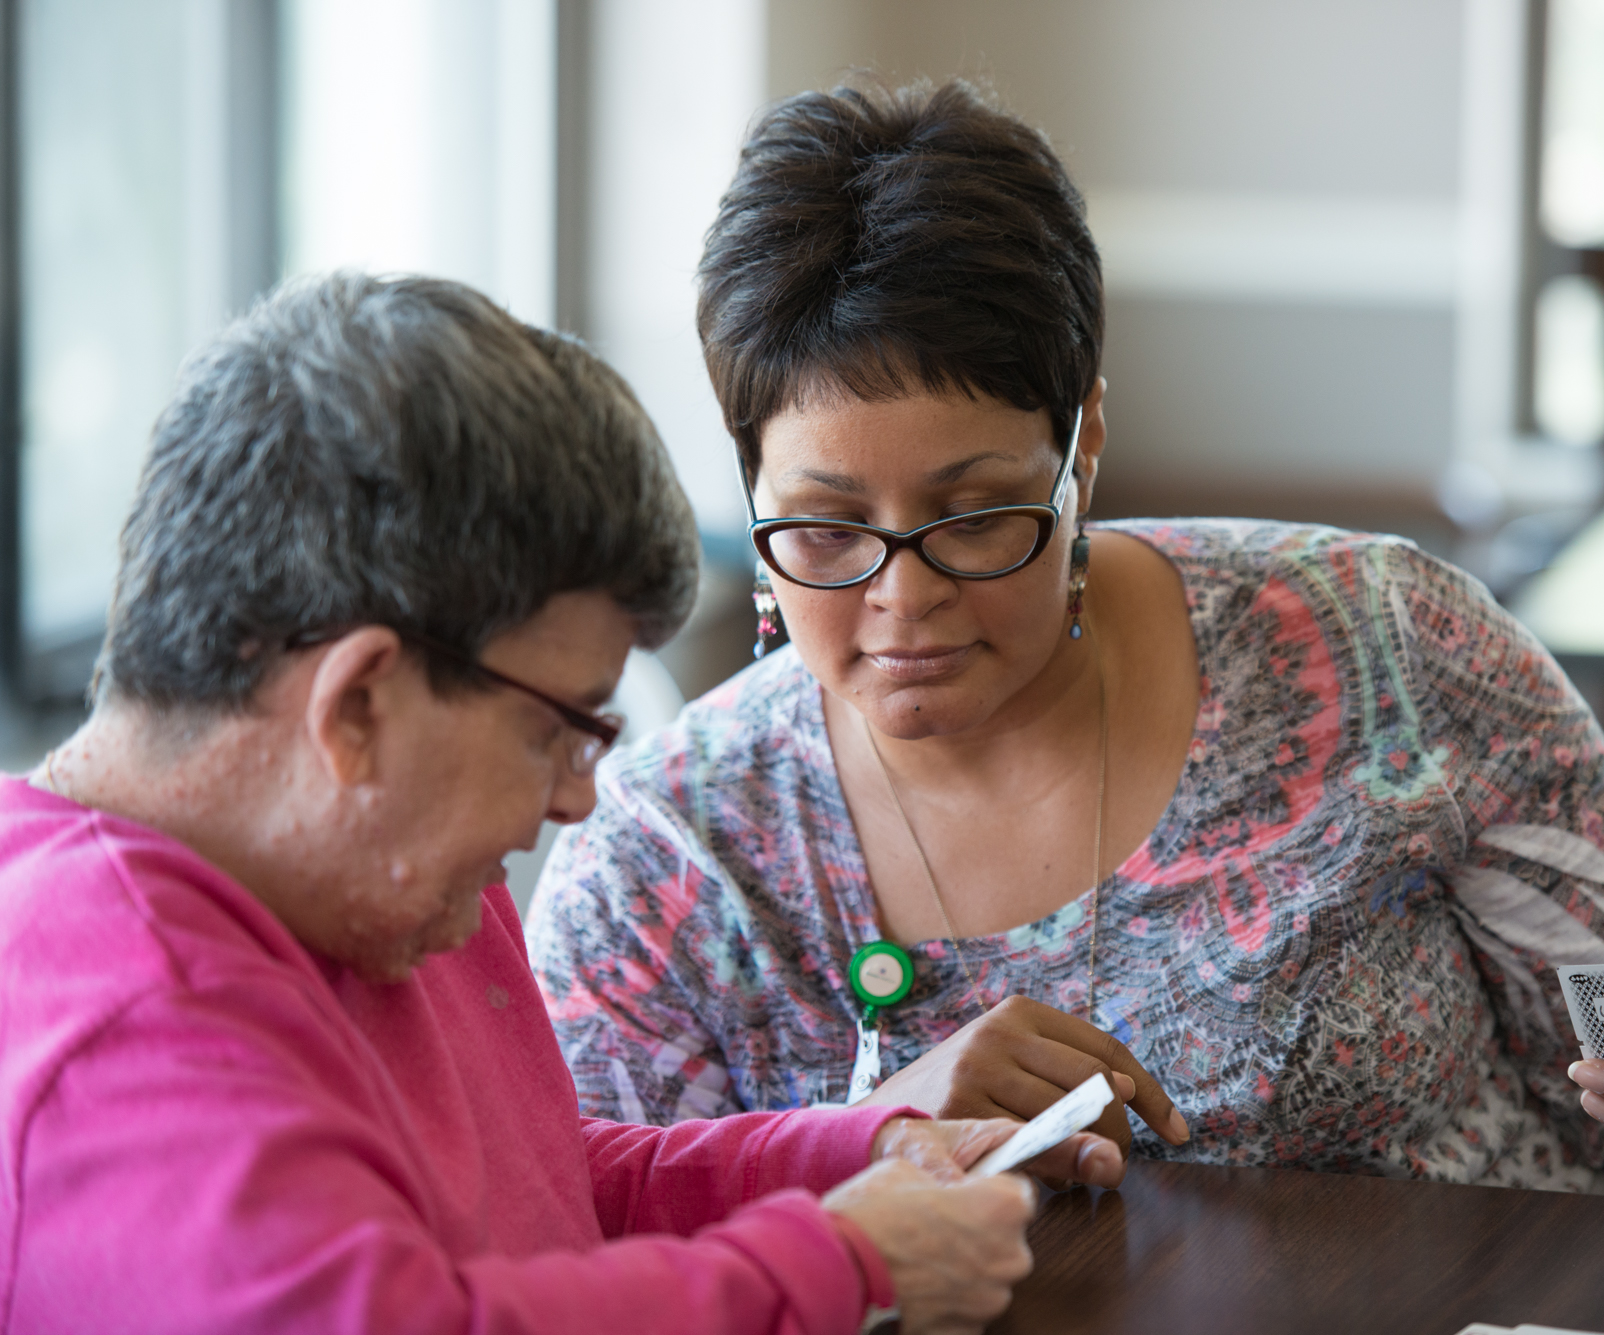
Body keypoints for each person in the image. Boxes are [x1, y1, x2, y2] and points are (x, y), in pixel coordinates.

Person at [527, 82, 1604, 1239]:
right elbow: (560, 1253)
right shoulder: (666, 860)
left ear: (1087, 448)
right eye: (826, 529)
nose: (907, 599)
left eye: (978, 516)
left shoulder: (1385, 646)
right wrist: (854, 1141)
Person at [0, 273, 1127, 1335]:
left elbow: (536, 1198)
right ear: (356, 709)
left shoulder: (379, 875)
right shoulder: (125, 1022)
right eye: (556, 732)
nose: (577, 800)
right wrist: (842, 1265)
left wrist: (853, 1159)